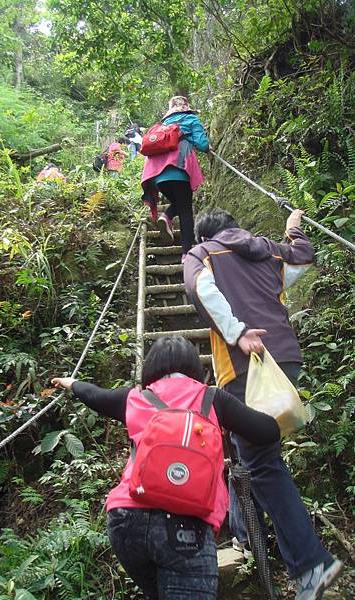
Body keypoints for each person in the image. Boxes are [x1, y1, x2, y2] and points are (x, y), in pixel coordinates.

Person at [183, 208, 343, 600]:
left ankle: (311, 565)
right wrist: (293, 230)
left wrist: (236, 333)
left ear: (206, 235)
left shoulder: (200, 253)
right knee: (246, 454)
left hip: (247, 366)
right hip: (286, 360)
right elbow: (301, 259)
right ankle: (247, 537)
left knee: (262, 463)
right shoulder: (266, 251)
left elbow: (200, 289)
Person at [52, 335, 284, 600]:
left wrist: (71, 384)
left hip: (127, 519)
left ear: (151, 367)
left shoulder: (136, 398)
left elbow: (95, 395)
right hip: (188, 524)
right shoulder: (213, 398)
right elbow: (268, 431)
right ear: (196, 367)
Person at [141, 96, 209, 262]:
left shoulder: (162, 127)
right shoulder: (191, 119)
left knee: (179, 204)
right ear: (186, 108)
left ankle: (167, 216)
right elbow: (203, 144)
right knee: (186, 210)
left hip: (157, 176)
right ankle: (187, 254)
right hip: (179, 170)